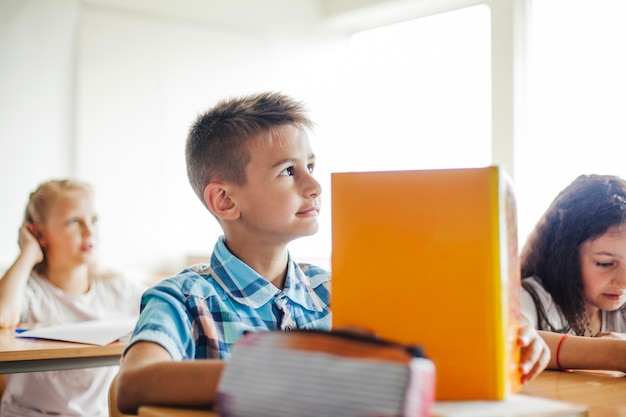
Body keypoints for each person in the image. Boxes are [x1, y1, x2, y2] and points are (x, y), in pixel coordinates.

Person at [116, 91, 549, 414]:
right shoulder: (182, 297)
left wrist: (512, 343)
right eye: (288, 170)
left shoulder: (337, 290)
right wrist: (298, 379)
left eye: (311, 166)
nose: (314, 185)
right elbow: (131, 386)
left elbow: (438, 349)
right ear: (225, 200)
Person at [0, 179, 147, 417]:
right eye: (74, 222)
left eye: (94, 220)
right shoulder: (29, 291)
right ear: (38, 233)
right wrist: (27, 253)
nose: (89, 232)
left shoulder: (118, 288)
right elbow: (2, 315)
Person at [521, 174, 626, 372]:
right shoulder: (532, 296)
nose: (624, 281)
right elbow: (507, 337)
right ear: (565, 257)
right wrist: (613, 353)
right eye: (605, 263)